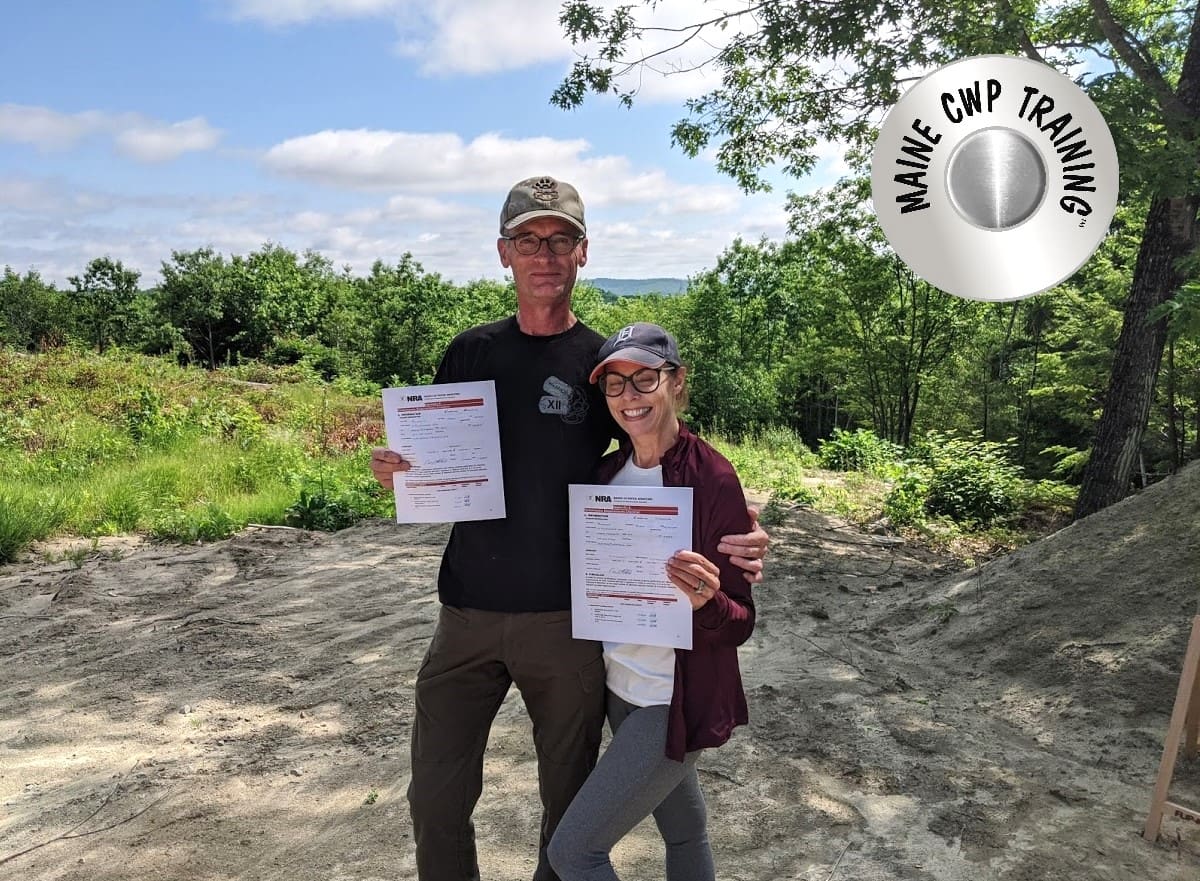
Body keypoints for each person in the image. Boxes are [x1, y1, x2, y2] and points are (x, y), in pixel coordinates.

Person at [369, 175, 768, 881]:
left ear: (584, 252)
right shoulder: (470, 352)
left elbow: (657, 440)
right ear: (503, 253)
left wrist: (732, 526)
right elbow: (440, 461)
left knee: (567, 810)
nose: (544, 254)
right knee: (435, 794)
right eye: (528, 239)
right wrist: (405, 471)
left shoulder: (598, 362)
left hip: (567, 620)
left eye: (560, 240)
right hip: (464, 611)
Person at [545, 322, 754, 881]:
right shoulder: (605, 477)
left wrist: (706, 602)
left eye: (643, 380)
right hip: (618, 690)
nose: (629, 397)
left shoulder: (711, 477)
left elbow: (739, 622)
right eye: (614, 385)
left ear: (676, 382)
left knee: (573, 852)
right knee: (685, 832)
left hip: (672, 701)